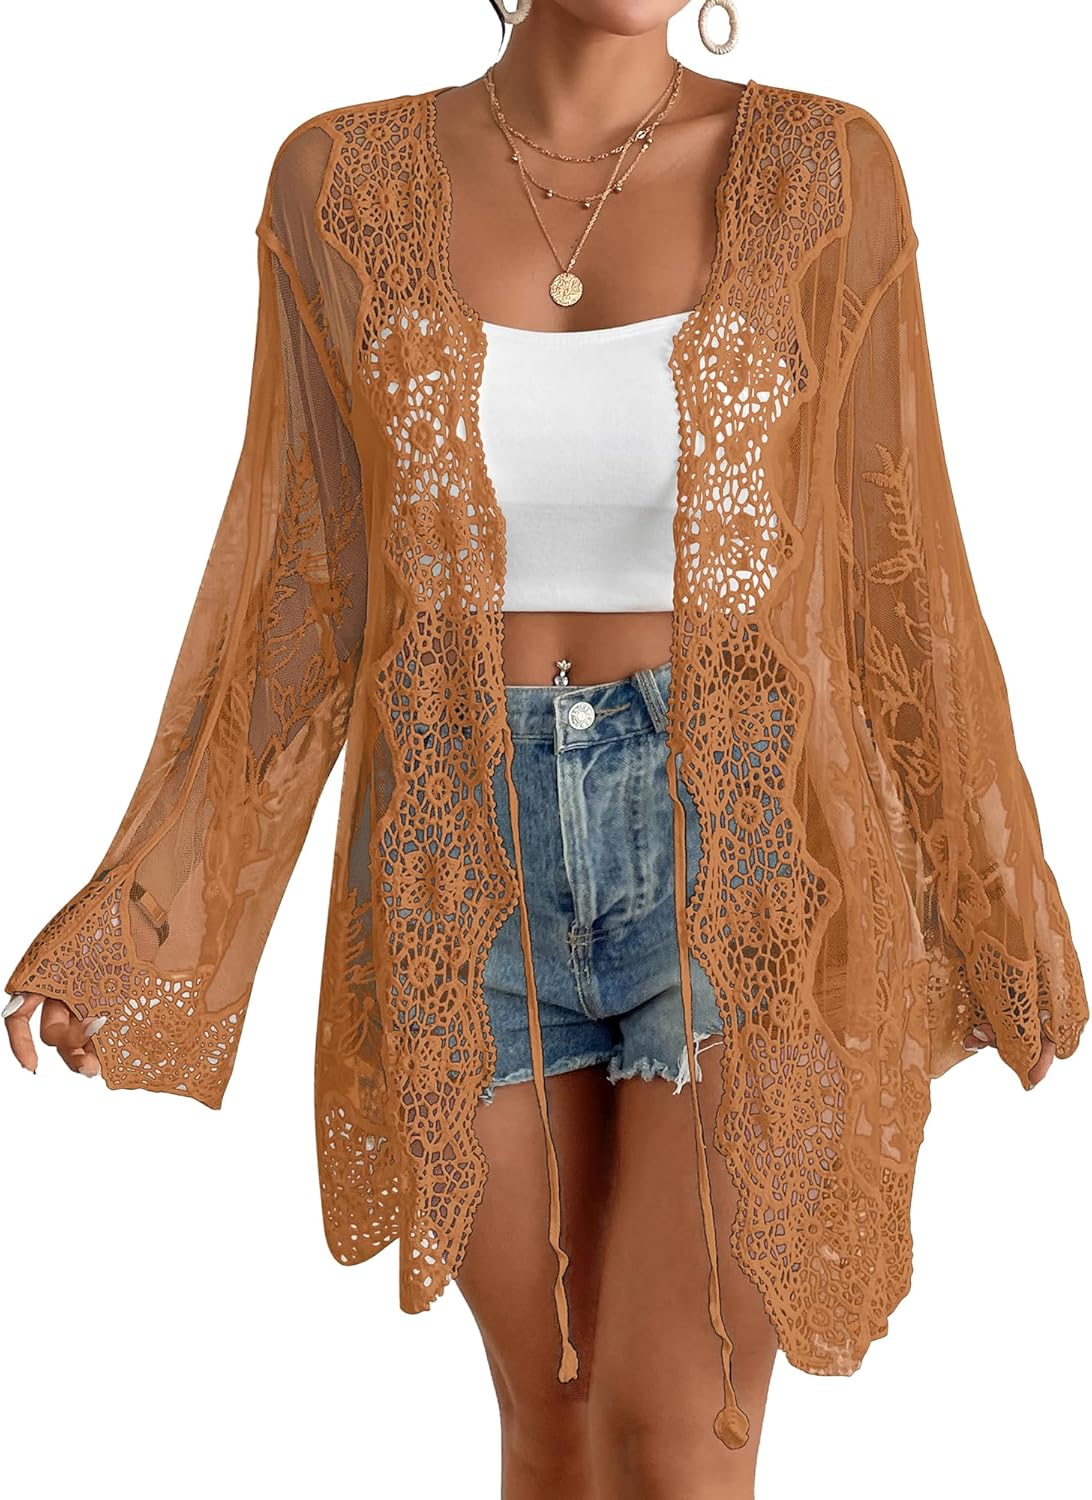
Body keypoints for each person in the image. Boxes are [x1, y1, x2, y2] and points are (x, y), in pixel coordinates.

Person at [4, 4, 1085, 1497]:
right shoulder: (340, 180)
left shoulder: (824, 170)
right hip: (458, 857)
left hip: (742, 844)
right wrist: (144, 913)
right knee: (558, 1431)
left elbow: (905, 566)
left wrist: (994, 906)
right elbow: (300, 587)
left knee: (674, 1430)